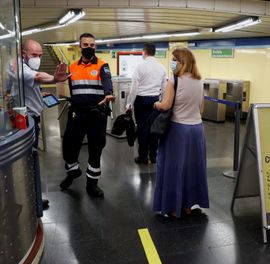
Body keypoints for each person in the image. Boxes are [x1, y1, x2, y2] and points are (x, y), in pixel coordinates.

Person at [152, 47, 209, 218]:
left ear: (181, 62)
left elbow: (166, 105)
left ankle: (172, 207)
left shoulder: (174, 80)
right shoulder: (199, 81)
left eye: (174, 59)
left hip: (178, 130)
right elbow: (201, 108)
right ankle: (187, 205)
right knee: (192, 168)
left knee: (173, 168)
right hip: (197, 130)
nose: (172, 62)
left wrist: (156, 104)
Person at [60, 33, 115, 197]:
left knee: (96, 149)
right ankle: (72, 171)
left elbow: (107, 80)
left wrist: (108, 93)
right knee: (69, 146)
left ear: (95, 47)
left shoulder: (102, 65)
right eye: (86, 45)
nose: (89, 48)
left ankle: (92, 184)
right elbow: (69, 87)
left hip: (96, 114)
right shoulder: (72, 66)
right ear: (80, 47)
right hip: (77, 113)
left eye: (92, 45)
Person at [22, 39, 70, 213]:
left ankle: (33, 196)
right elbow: (38, 76)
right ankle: (32, 200)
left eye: (41, 55)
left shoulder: (27, 67)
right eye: (34, 55)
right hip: (28, 121)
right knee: (30, 160)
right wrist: (54, 78)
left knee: (32, 160)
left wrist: (39, 93)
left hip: (32, 118)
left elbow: (29, 86)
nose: (38, 58)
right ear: (23, 54)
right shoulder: (21, 68)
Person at [126, 42, 167, 164]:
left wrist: (129, 104)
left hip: (141, 101)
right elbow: (164, 88)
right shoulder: (162, 67)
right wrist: (162, 103)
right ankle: (153, 156)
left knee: (142, 129)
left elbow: (134, 88)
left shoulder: (140, 67)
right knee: (154, 128)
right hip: (155, 101)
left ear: (144, 52)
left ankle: (142, 156)